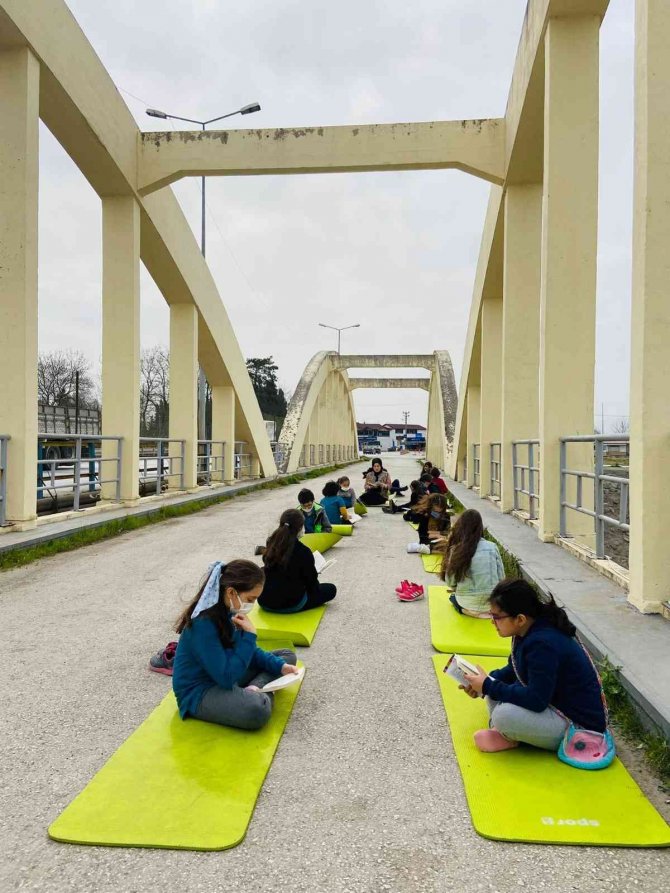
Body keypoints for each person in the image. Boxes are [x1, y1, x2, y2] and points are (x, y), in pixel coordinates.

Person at [460, 578, 608, 753]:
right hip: (553, 702)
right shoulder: (528, 630)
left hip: (579, 726)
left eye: (496, 617)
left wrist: (488, 685)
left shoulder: (543, 644)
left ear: (520, 619)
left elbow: (536, 700)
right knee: (494, 691)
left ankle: (508, 734)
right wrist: (483, 682)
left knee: (502, 714)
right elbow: (514, 670)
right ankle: (509, 733)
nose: (492, 622)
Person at [172, 559, 299, 731]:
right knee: (258, 709)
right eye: (250, 599)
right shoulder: (203, 624)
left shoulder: (227, 611)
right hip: (201, 691)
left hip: (225, 671)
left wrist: (281, 666)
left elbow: (247, 653)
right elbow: (226, 678)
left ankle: (255, 688)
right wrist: (248, 636)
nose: (252, 605)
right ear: (231, 592)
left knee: (286, 656)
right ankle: (257, 693)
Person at [259, 509, 337, 613]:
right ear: (300, 527)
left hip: (264, 601)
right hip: (291, 604)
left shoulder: (271, 543)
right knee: (331, 589)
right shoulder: (303, 551)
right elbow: (312, 585)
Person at [440, 509, 504, 616]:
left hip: (467, 602)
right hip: (493, 604)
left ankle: (467, 611)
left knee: (453, 598)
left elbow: (451, 582)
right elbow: (501, 578)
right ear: (480, 527)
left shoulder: (456, 549)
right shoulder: (492, 547)